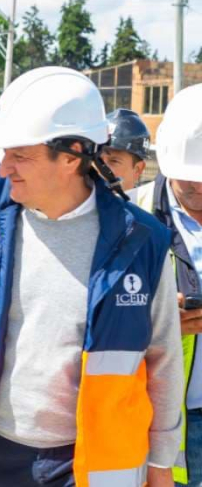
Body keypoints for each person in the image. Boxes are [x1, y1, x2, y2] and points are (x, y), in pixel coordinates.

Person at [0, 66, 183, 487]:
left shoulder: (141, 242)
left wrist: (161, 462)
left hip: (89, 467)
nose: (3, 169)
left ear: (72, 156)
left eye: (20, 155)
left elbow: (163, 359)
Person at [131, 84, 202, 486]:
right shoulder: (127, 215)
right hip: (154, 420)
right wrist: (154, 319)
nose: (199, 189)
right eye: (189, 181)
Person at [101, 108, 151, 193]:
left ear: (138, 170)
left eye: (114, 161)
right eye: (97, 159)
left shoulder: (148, 204)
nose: (100, 169)